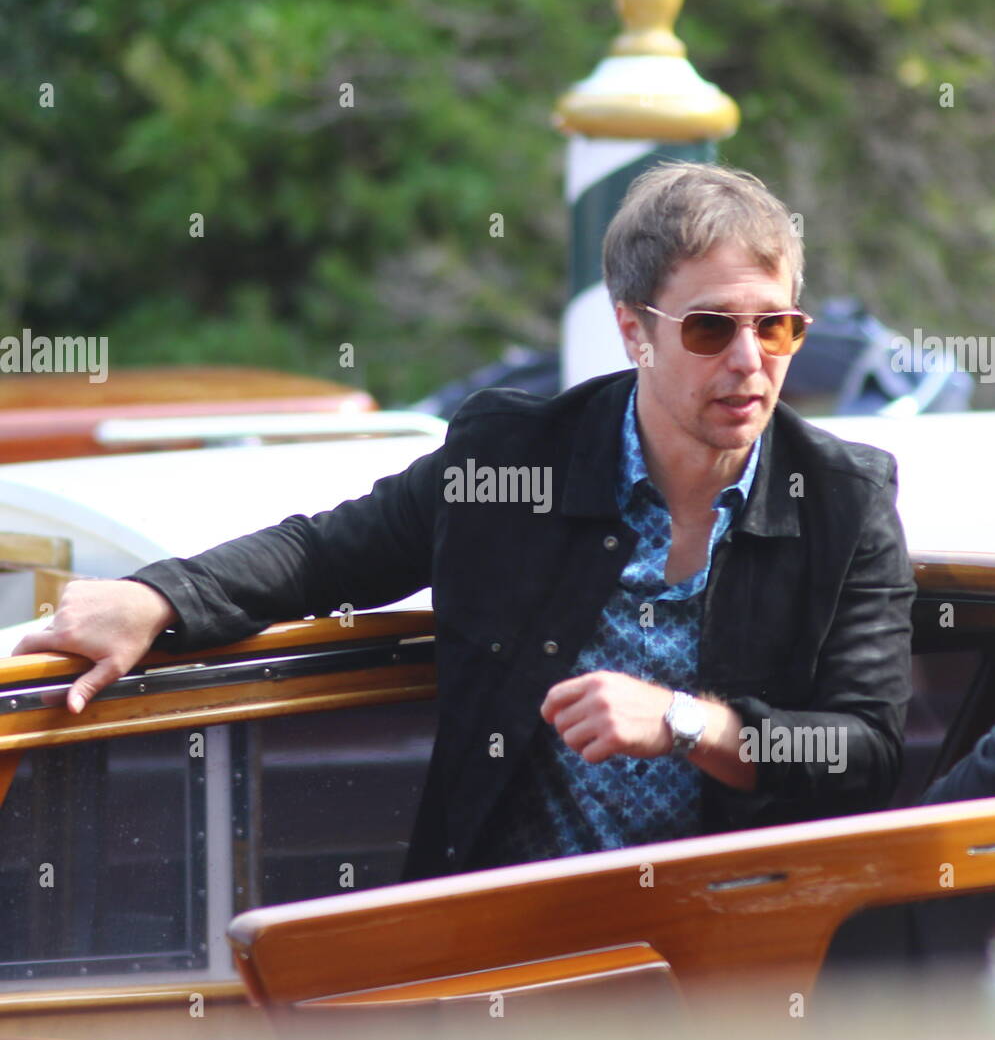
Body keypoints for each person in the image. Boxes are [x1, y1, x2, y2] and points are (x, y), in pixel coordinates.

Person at [15, 164, 917, 881]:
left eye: (779, 328)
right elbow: (325, 553)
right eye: (711, 329)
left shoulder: (842, 498)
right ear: (632, 331)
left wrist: (686, 723)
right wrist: (154, 598)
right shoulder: (513, 457)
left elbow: (867, 752)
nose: (750, 362)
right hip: (504, 947)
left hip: (742, 959)